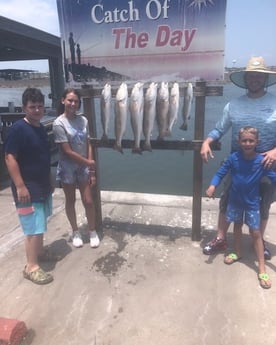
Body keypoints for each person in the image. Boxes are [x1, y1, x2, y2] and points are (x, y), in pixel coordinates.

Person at [201, 56, 276, 259]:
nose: (255, 79)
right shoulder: (233, 105)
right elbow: (219, 128)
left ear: (264, 79)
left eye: (258, 76)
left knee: (263, 205)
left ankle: (257, 241)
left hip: (267, 166)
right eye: (251, 76)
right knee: (227, 202)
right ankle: (220, 238)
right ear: (245, 79)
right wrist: (207, 141)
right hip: (238, 166)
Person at [206, 126, 276, 289]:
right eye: (244, 140)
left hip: (252, 204)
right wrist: (212, 186)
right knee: (237, 227)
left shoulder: (261, 161)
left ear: (257, 142)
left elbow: (273, 177)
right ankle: (237, 251)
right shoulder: (233, 158)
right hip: (235, 202)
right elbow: (220, 173)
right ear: (239, 142)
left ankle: (262, 268)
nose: (247, 143)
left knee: (256, 233)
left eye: (251, 140)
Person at [4, 88, 55, 285]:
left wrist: (50, 179)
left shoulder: (40, 127)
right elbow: (10, 158)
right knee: (32, 227)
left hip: (41, 185)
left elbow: (44, 157)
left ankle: (39, 252)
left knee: (40, 222)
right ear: (24, 108)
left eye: (40, 106)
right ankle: (31, 266)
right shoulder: (17, 129)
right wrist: (20, 186)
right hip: (26, 189)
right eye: (32, 107)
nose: (37, 110)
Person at [53, 88, 100, 249]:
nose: (73, 104)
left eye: (76, 101)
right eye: (70, 100)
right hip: (67, 167)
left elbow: (88, 143)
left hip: (84, 166)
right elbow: (67, 151)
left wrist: (90, 166)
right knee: (70, 200)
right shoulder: (59, 123)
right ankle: (75, 231)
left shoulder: (83, 120)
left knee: (88, 200)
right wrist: (88, 163)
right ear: (63, 101)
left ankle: (92, 231)